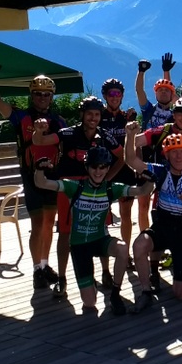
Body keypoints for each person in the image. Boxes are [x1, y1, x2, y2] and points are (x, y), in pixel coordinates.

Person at [33, 147, 154, 315]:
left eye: (103, 167)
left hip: (99, 240)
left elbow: (142, 191)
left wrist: (150, 179)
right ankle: (90, 284)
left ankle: (115, 294)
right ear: (87, 167)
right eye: (94, 166)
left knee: (122, 247)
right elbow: (42, 183)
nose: (98, 171)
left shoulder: (112, 188)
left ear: (107, 168)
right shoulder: (74, 186)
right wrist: (39, 170)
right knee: (90, 303)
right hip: (79, 245)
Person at [31, 96, 123, 297]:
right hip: (70, 188)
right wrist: (38, 130)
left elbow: (122, 156)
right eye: (89, 113)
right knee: (65, 233)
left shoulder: (105, 136)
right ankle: (62, 279)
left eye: (97, 114)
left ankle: (105, 272)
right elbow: (39, 141)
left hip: (96, 188)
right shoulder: (69, 133)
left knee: (102, 229)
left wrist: (107, 178)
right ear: (82, 114)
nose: (93, 118)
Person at [0, 69, 65, 290]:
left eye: (47, 94)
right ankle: (37, 269)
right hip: (31, 177)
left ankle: (45, 264)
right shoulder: (21, 116)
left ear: (52, 96)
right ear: (32, 95)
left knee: (49, 223)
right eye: (38, 93)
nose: (42, 97)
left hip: (53, 176)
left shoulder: (58, 121)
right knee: (38, 224)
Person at [125, 126, 182, 312]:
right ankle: (146, 291)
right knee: (139, 245)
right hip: (163, 225)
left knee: (181, 294)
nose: (178, 156)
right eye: (174, 152)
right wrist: (130, 136)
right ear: (166, 155)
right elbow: (131, 160)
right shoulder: (160, 171)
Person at [98, 78, 141, 258]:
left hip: (124, 171)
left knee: (125, 214)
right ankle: (103, 253)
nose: (114, 97)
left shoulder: (127, 118)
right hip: (102, 170)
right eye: (111, 94)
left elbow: (135, 144)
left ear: (122, 96)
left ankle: (126, 253)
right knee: (101, 217)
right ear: (105, 96)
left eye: (118, 94)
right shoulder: (98, 116)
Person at [135, 55, 176, 236]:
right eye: (160, 91)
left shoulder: (176, 113)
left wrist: (167, 72)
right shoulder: (149, 110)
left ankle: (162, 237)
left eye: (167, 91)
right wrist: (141, 71)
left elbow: (175, 95)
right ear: (155, 93)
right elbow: (139, 91)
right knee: (143, 203)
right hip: (146, 159)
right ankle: (144, 238)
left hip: (166, 161)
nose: (164, 93)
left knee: (164, 202)